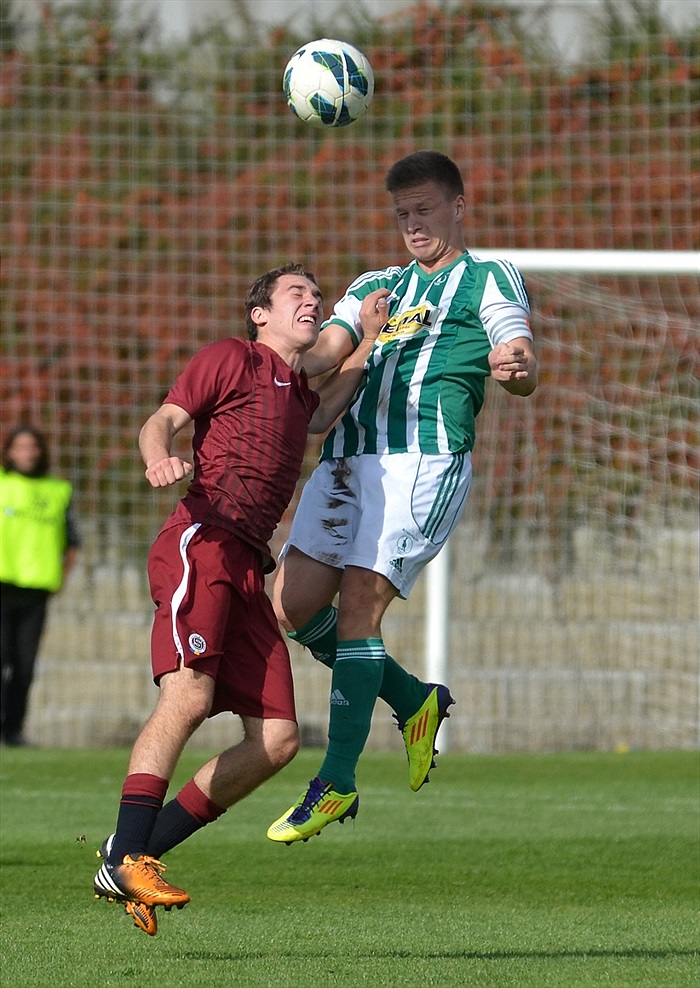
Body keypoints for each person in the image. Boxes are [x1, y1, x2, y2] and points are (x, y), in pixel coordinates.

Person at [92, 262, 388, 936]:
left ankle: (129, 856)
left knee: (279, 739)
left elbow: (328, 406)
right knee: (189, 697)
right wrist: (158, 457)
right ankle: (127, 850)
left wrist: (371, 338)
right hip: (203, 540)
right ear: (260, 313)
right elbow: (162, 419)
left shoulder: (296, 392)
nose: (312, 302)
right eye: (297, 295)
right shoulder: (232, 357)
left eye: (318, 296)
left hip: (250, 568)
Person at [267, 150, 538, 844]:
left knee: (359, 611)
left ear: (457, 206)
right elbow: (326, 351)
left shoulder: (488, 275)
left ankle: (336, 782)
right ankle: (414, 701)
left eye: (424, 209)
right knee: (292, 607)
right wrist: (292, 353)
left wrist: (516, 366)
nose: (413, 224)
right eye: (402, 213)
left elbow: (516, 350)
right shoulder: (376, 284)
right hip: (347, 461)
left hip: (424, 458)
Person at [0, 425, 80, 747]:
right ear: (9, 452)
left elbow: (72, 542)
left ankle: (14, 729)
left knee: (25, 664)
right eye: (20, 447)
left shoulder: (58, 490)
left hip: (37, 591)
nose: (27, 453)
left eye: (32, 446)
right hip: (3, 584)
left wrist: (62, 576)